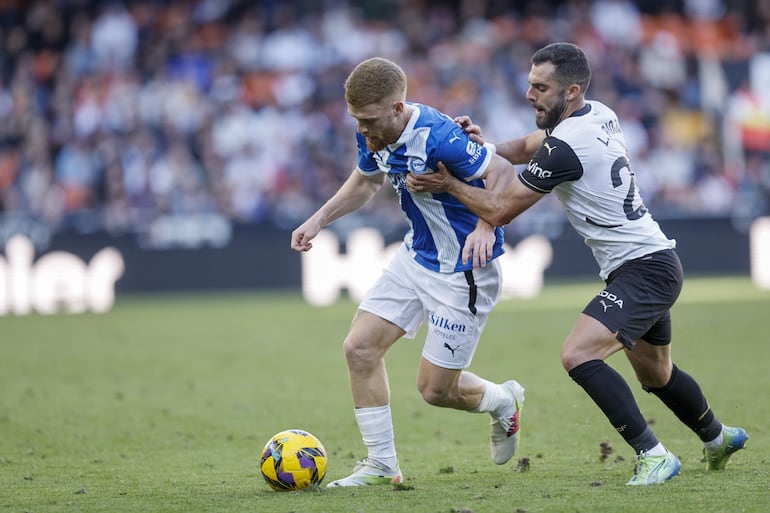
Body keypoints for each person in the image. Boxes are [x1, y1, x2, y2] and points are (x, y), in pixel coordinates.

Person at [407, 42, 748, 486]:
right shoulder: (598, 113)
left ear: (570, 91)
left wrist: (450, 182)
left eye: (540, 87)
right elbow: (535, 144)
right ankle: (718, 437)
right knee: (656, 372)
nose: (530, 94)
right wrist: (486, 148)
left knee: (577, 354)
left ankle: (654, 454)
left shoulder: (568, 147)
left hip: (644, 268)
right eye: (529, 84)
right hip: (653, 260)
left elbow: (500, 208)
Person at [290, 57, 525, 487]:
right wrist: (319, 219)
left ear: (397, 108)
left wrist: (486, 225)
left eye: (368, 120)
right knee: (359, 349)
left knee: (436, 391)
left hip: (462, 271)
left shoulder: (440, 138)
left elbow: (503, 172)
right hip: (415, 258)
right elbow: (365, 181)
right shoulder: (376, 133)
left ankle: (504, 401)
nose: (362, 130)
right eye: (356, 120)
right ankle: (381, 464)